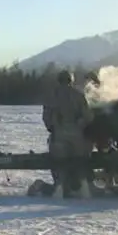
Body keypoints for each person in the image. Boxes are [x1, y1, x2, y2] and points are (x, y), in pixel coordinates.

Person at [43, 70, 93, 199]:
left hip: (59, 134)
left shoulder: (52, 95)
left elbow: (47, 116)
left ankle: (59, 188)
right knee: (79, 161)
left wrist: (52, 128)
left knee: (59, 162)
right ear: (71, 80)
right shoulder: (78, 95)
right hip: (77, 134)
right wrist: (80, 125)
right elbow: (88, 115)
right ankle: (84, 189)